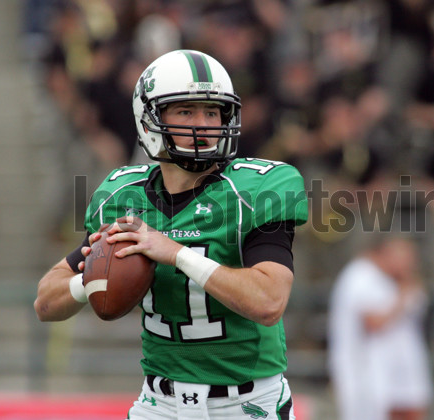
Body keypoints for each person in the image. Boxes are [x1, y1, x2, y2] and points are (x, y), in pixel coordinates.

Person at [34, 49, 308, 420]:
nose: (204, 124)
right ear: (148, 120)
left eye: (212, 112)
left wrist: (175, 252)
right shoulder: (122, 196)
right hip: (158, 403)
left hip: (245, 404)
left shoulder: (258, 188)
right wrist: (94, 279)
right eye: (186, 111)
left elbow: (269, 301)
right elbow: (45, 304)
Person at [328, 236, 433, 420]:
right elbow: (373, 322)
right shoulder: (361, 276)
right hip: (364, 370)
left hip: (397, 367)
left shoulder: (390, 278)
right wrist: (402, 296)